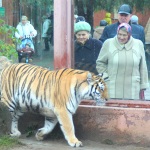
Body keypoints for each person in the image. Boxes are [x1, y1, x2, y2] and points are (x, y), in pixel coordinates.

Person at [96, 23, 149, 100]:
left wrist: (143, 85)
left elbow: (143, 66)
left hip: (133, 88)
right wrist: (106, 76)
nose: (121, 37)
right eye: (119, 34)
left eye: (124, 35)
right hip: (112, 87)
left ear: (129, 35)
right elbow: (100, 63)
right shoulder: (108, 43)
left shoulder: (138, 44)